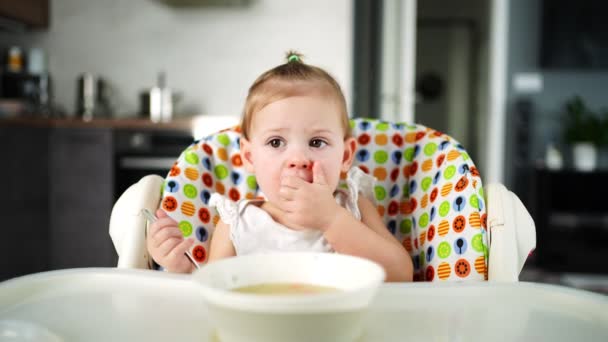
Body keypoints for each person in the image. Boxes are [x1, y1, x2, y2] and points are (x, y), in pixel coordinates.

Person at [147, 51, 413, 282]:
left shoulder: (354, 208)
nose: (298, 157)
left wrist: (332, 219)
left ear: (345, 156)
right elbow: (215, 293)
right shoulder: (237, 224)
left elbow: (400, 275)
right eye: (276, 142)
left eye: (317, 142)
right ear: (249, 157)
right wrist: (180, 270)